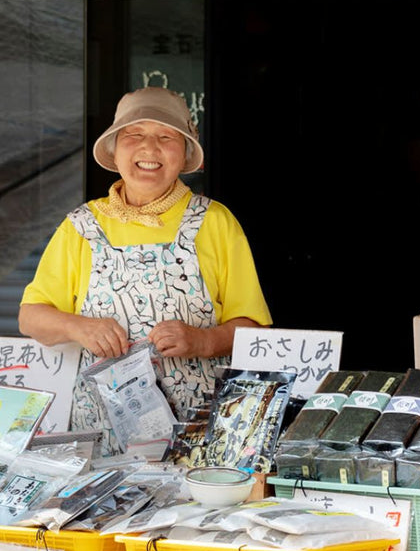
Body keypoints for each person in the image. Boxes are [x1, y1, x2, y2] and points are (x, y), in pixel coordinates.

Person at [19, 87, 271, 437]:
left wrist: (204, 341)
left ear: (185, 155)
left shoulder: (214, 221)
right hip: (101, 431)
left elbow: (255, 330)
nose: (149, 148)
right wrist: (79, 327)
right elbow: (31, 317)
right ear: (114, 150)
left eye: (167, 136)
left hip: (202, 430)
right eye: (134, 134)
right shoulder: (81, 225)